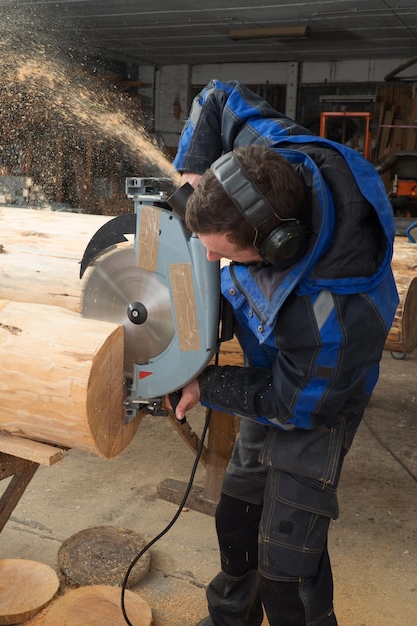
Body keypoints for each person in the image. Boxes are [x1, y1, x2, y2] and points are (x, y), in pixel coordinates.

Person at [170, 79, 399, 626]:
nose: (211, 262)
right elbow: (219, 97)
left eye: (225, 257)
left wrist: (209, 385)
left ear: (277, 246)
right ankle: (230, 620)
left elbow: (291, 403)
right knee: (238, 518)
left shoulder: (333, 319)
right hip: (275, 370)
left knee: (287, 563)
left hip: (316, 402)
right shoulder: (272, 158)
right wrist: (191, 176)